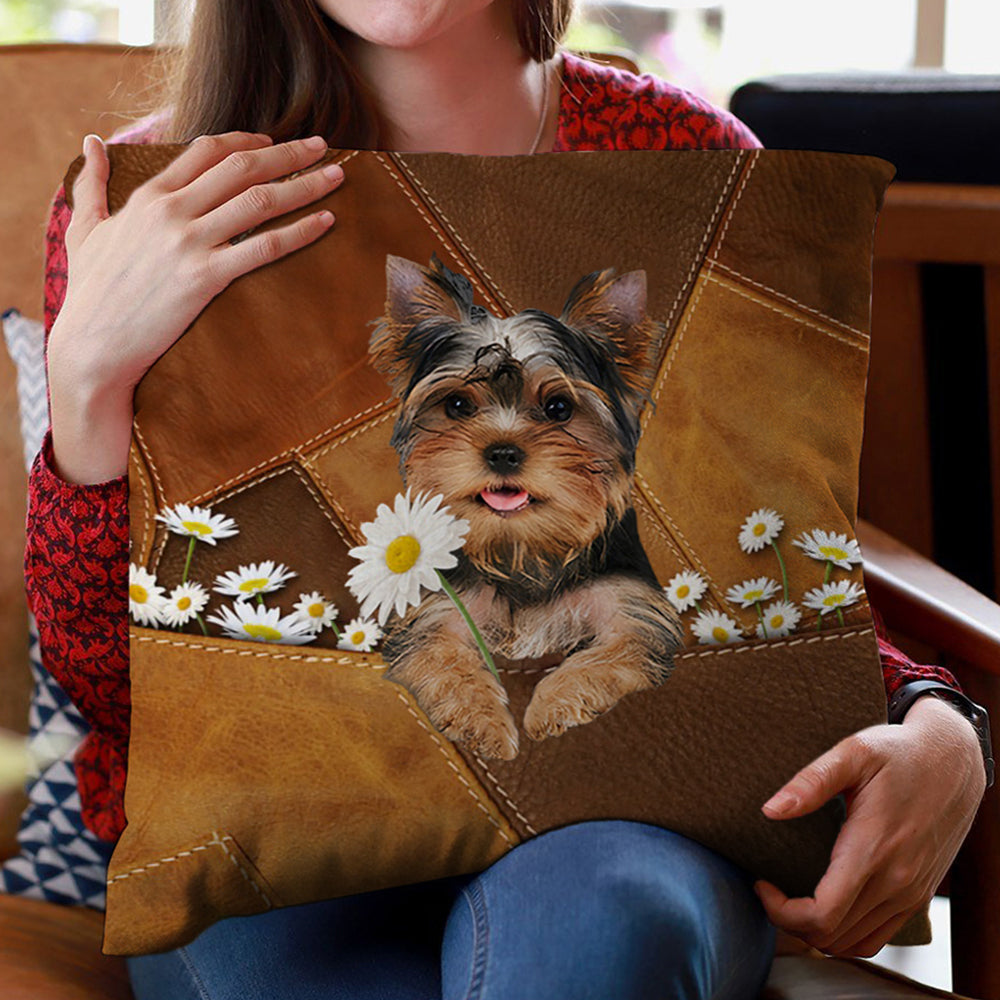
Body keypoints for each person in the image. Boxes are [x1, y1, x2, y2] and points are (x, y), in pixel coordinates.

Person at [25, 1, 988, 998]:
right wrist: (89, 383)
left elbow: (753, 558)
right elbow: (107, 682)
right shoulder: (154, 204)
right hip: (272, 820)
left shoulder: (692, 164)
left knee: (602, 921)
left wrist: (935, 716)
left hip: (619, 822)